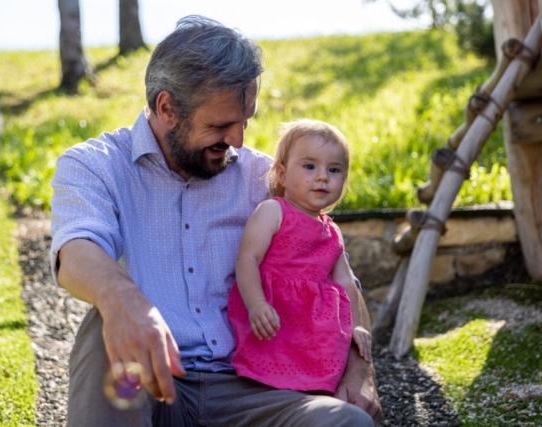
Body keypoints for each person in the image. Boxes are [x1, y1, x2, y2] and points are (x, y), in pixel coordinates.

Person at [50, 15, 382, 427]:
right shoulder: (94, 165)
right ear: (167, 108)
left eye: (245, 121)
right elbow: (76, 248)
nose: (238, 140)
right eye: (222, 125)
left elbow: (336, 275)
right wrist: (122, 299)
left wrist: (360, 371)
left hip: (255, 386)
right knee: (105, 319)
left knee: (346, 422)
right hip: (149, 381)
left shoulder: (266, 179)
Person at [227, 119, 372, 397]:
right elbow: (247, 259)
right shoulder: (273, 211)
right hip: (276, 316)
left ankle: (315, 397)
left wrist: (355, 324)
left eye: (334, 170)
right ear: (282, 175)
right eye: (309, 166)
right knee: (269, 375)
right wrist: (256, 304)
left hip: (315, 328)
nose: (322, 177)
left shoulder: (332, 231)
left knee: (318, 384)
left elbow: (345, 281)